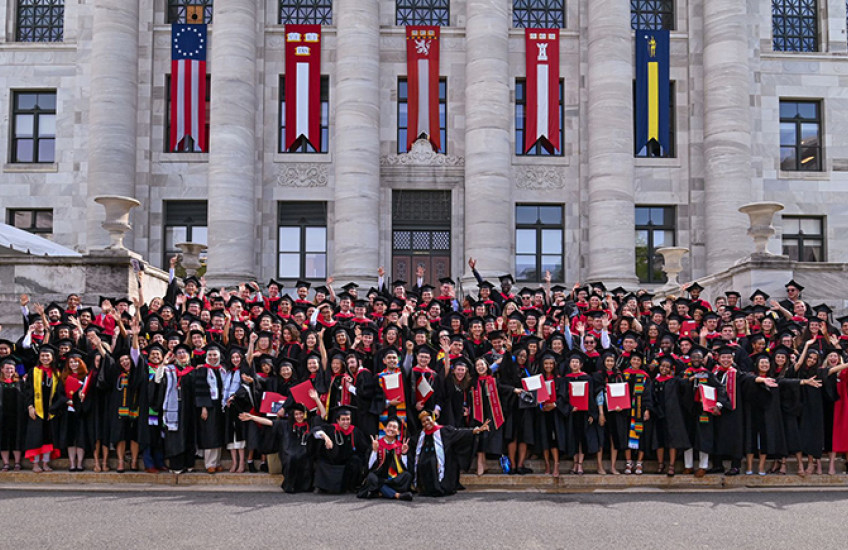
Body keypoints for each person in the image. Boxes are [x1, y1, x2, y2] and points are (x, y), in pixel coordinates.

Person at [414, 411, 490, 496]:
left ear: (433, 419)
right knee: (422, 463)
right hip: (425, 457)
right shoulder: (421, 434)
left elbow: (459, 433)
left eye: (428, 420)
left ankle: (439, 488)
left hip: (440, 460)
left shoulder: (443, 430)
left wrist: (476, 430)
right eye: (423, 422)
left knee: (433, 462)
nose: (426, 423)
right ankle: (426, 489)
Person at [23, 344, 64, 472]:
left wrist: (54, 409)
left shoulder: (57, 373)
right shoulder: (33, 371)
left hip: (51, 410)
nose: (45, 358)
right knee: (35, 437)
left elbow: (60, 394)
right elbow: (28, 391)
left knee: (48, 437)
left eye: (47, 356)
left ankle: (45, 463)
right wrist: (30, 407)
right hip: (36, 409)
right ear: (39, 357)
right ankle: (35, 464)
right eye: (42, 356)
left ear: (52, 357)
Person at [312, 406, 368, 493]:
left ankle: (352, 486)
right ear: (338, 421)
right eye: (343, 419)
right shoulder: (331, 429)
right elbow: (316, 431)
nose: (346, 422)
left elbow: (364, 448)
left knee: (357, 460)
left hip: (347, 462)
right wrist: (326, 437)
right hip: (332, 461)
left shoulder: (355, 431)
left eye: (348, 419)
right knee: (321, 461)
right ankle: (324, 487)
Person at [357, 417, 413, 501]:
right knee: (372, 477)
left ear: (398, 432)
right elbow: (369, 467)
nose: (391, 429)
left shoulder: (400, 446)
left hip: (393, 479)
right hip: (379, 477)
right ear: (384, 429)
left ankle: (381, 492)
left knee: (407, 476)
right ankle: (396, 495)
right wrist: (375, 451)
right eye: (389, 426)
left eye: (394, 427)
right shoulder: (377, 444)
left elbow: (406, 468)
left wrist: (404, 453)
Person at [0, 357, 25, 471]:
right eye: (7, 369)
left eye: (11, 369)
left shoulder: (20, 383)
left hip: (17, 416)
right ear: (1, 369)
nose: (9, 371)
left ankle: (17, 463)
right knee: (3, 439)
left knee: (17, 438)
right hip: (2, 415)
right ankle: (5, 463)